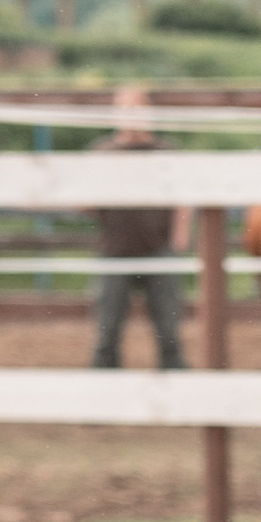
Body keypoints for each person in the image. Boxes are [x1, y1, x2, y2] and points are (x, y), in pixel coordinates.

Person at [89, 86, 187, 372]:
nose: (131, 116)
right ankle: (103, 391)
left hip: (159, 249)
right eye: (124, 108)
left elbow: (183, 196)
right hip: (114, 251)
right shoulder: (102, 153)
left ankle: (176, 387)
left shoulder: (166, 151)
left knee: (169, 331)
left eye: (137, 108)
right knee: (107, 331)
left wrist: (179, 235)